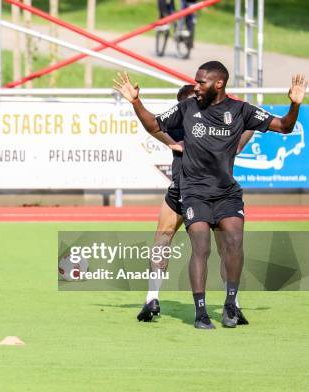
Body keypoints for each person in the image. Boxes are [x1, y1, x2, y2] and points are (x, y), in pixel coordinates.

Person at [114, 63, 306, 329]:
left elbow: (278, 127)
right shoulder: (184, 113)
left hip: (221, 193)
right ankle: (154, 297)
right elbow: (154, 125)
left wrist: (291, 106)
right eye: (193, 87)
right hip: (184, 191)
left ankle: (231, 303)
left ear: (217, 84)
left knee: (229, 247)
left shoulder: (237, 112)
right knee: (173, 240)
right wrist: (137, 102)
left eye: (200, 84)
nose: (195, 90)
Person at [137, 85, 253, 323]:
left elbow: (153, 128)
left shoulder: (190, 123)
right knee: (217, 250)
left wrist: (169, 141)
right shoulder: (195, 121)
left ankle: (153, 298)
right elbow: (241, 141)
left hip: (195, 194)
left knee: (167, 241)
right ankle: (232, 304)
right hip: (194, 195)